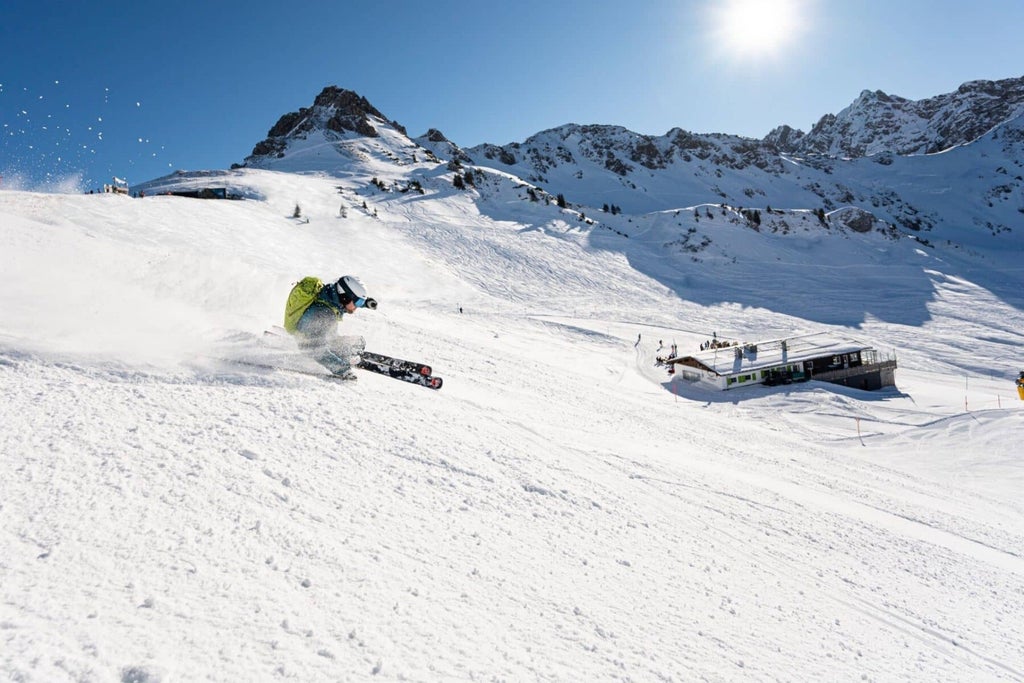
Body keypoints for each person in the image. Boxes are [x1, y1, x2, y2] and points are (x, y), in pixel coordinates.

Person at [289, 275, 377, 380]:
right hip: (308, 342)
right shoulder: (322, 314)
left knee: (358, 343)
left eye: (361, 302)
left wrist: (366, 303)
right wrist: (343, 370)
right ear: (346, 296)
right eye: (358, 302)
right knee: (353, 345)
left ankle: (346, 355)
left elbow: (346, 304)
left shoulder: (332, 297)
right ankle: (344, 356)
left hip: (325, 337)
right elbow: (315, 349)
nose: (358, 306)